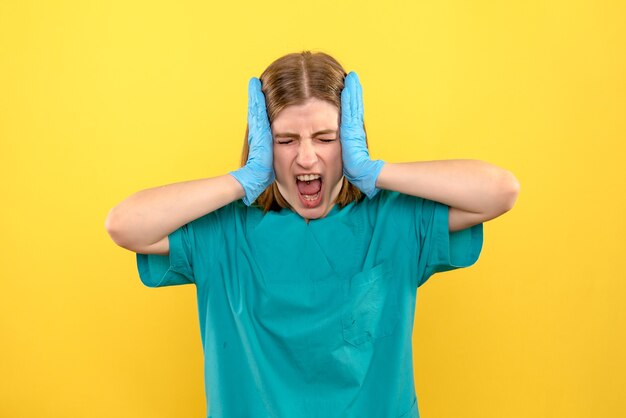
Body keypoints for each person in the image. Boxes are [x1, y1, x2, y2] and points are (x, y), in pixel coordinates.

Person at [105, 51, 520, 418]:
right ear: (263, 145)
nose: (306, 157)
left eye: (326, 138)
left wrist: (376, 170)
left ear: (351, 140)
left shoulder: (392, 221)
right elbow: (124, 224)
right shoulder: (223, 230)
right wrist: (243, 178)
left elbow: (500, 191)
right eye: (285, 140)